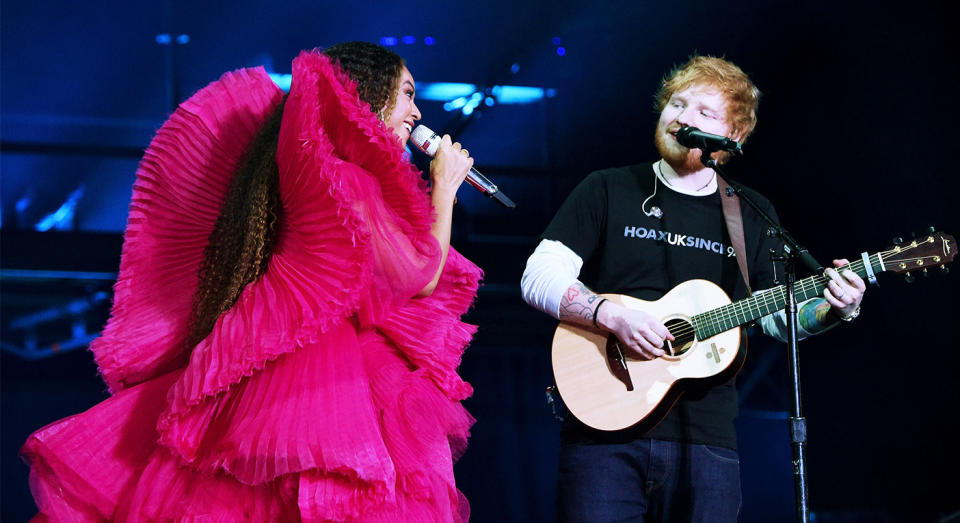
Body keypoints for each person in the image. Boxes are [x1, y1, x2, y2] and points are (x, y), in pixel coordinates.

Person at [21, 41, 482, 521]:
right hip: (316, 368)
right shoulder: (350, 180)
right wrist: (444, 189)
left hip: (266, 353)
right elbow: (419, 275)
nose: (416, 111)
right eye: (406, 94)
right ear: (371, 95)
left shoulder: (317, 166)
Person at [521, 56, 866, 521]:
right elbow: (538, 275)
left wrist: (833, 310)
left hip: (707, 445)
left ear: (734, 137)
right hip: (603, 435)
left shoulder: (749, 213)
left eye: (703, 112)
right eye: (676, 104)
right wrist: (610, 314)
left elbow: (778, 315)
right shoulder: (608, 188)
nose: (682, 118)